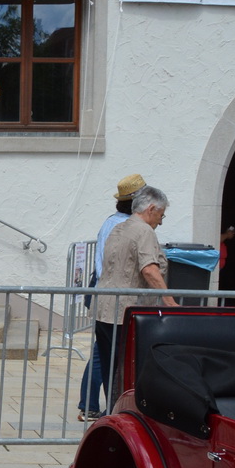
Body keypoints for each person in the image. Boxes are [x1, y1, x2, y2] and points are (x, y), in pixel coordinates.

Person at [95, 184, 176, 406]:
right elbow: (149, 269)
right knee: (126, 372)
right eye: (161, 215)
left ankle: (113, 414)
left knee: (111, 371)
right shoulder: (143, 231)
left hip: (105, 310)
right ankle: (122, 417)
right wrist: (171, 302)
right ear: (151, 209)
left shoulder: (118, 228)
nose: (160, 221)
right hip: (125, 313)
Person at [78, 172, 144, 420]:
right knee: (104, 353)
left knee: (102, 351)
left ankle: (89, 403)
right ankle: (94, 404)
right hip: (109, 289)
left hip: (104, 288)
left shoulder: (114, 221)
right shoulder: (120, 225)